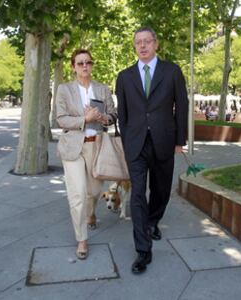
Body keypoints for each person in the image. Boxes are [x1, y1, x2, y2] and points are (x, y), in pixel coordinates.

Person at [115, 27, 188, 274]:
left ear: (156, 44)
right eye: (138, 42)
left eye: (147, 41)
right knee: (137, 195)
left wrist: (180, 140)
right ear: (134, 46)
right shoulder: (124, 77)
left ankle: (153, 220)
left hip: (164, 141)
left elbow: (182, 106)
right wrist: (126, 142)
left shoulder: (172, 71)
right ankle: (143, 251)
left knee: (161, 190)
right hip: (136, 144)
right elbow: (122, 114)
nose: (143, 46)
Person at [56, 49, 116, 260]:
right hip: (73, 147)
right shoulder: (64, 89)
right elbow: (61, 119)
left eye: (88, 62)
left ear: (92, 65)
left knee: (93, 191)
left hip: (96, 145)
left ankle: (91, 213)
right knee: (77, 194)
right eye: (79, 63)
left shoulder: (102, 89)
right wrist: (85, 118)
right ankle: (82, 239)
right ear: (73, 66)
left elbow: (113, 114)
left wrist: (103, 119)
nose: (84, 66)